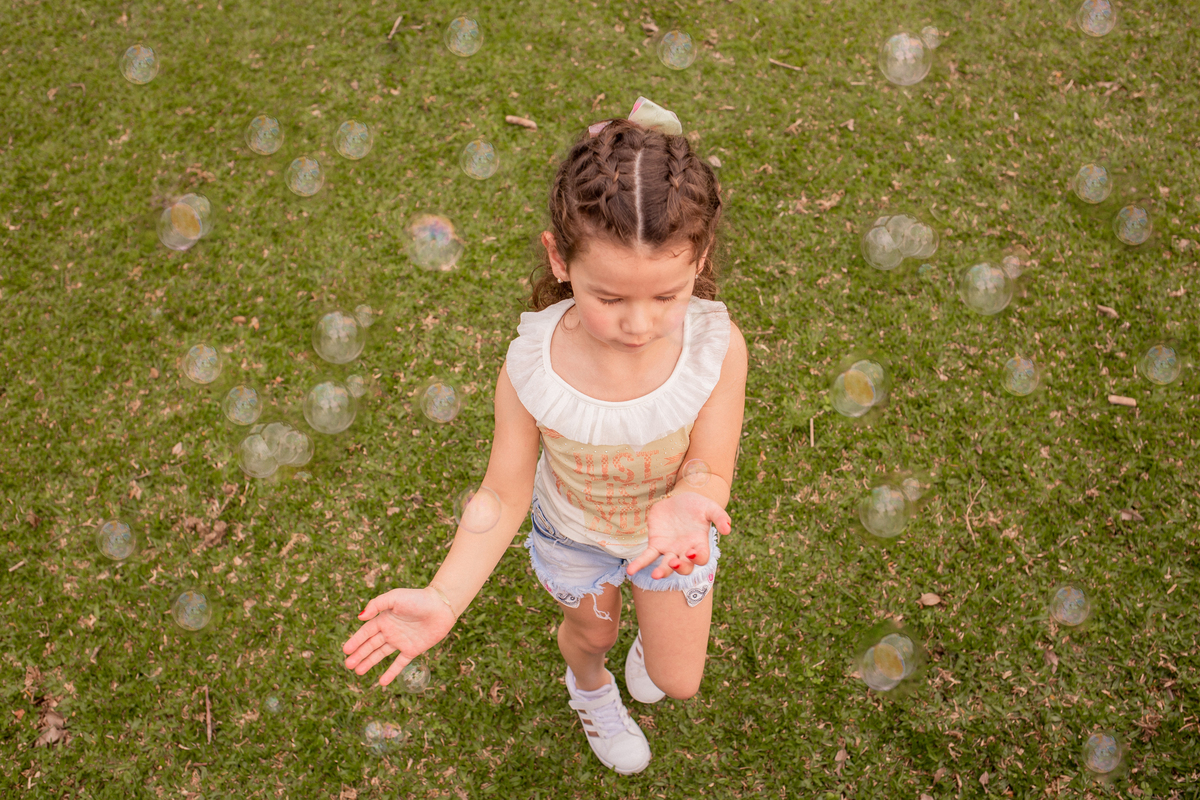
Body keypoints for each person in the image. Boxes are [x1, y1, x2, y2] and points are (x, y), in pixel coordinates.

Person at [342, 97, 748, 776]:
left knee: (679, 681)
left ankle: (651, 633)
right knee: (592, 632)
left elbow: (711, 461)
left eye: (667, 296)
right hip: (576, 539)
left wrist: (691, 496)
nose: (640, 324)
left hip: (669, 545)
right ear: (560, 261)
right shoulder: (533, 367)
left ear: (698, 257)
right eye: (610, 299)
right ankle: (588, 685)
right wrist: (444, 596)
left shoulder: (716, 346)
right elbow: (502, 495)